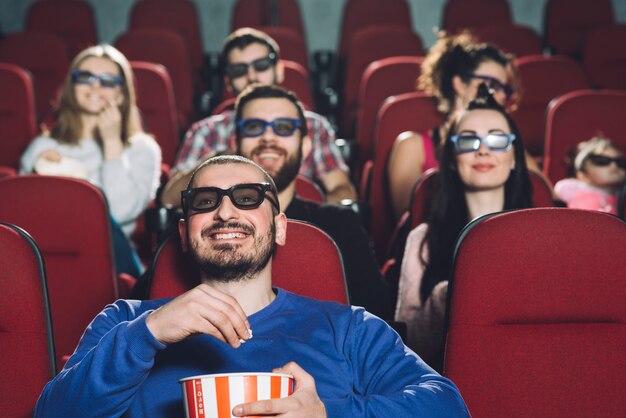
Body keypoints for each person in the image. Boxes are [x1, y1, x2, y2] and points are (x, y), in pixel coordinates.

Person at [35, 155, 470, 417]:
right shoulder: (126, 322)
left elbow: (448, 408)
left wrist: (332, 413)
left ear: (279, 228)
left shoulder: (348, 328)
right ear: (184, 234)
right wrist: (147, 334)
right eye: (206, 202)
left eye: (247, 198)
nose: (226, 212)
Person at [395, 85, 533, 371]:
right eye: (468, 141)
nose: (483, 150)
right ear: (453, 160)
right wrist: (448, 295)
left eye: (497, 140)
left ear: (515, 158)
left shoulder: (544, 237)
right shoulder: (423, 239)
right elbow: (407, 345)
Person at [233, 83, 393, 319]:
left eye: (284, 127)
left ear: (305, 146)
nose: (268, 137)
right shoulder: (210, 226)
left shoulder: (339, 225)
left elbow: (377, 318)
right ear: (235, 144)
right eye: (254, 127)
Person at [160, 27, 356, 207]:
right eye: (239, 70)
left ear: (278, 71)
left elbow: (343, 191)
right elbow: (170, 200)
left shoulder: (314, 126)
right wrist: (222, 157)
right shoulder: (205, 131)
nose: (252, 76)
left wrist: (304, 211)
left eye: (261, 66)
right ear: (227, 81)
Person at [19, 44, 161, 276]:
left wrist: (112, 141)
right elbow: (26, 219)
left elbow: (120, 211)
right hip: (47, 252)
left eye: (107, 81)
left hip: (111, 259)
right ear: (71, 86)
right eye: (85, 77)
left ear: (121, 93)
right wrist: (40, 177)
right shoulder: (43, 147)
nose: (95, 86)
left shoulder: (142, 149)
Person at [387, 31, 531, 220]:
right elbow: (410, 218)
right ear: (460, 84)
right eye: (490, 85)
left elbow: (544, 196)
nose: (502, 96)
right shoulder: (413, 145)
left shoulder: (506, 145)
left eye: (504, 88)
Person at [554, 136, 625, 215]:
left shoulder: (622, 198)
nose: (614, 166)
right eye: (601, 161)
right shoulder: (572, 188)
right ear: (582, 174)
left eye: (620, 162)